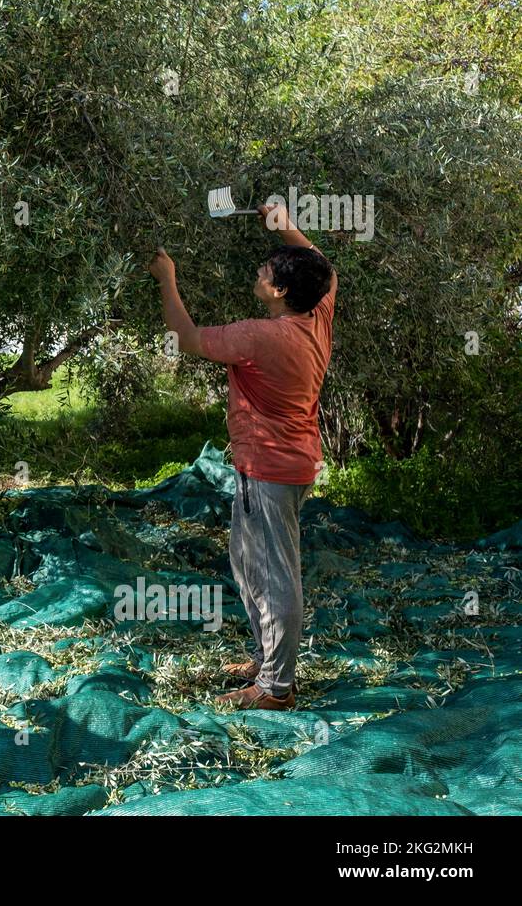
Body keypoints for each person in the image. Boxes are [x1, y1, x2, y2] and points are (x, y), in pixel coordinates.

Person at [148, 202, 337, 710]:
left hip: (271, 469)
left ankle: (277, 688)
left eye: (265, 271)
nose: (257, 272)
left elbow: (184, 339)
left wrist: (167, 278)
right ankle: (267, 658)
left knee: (275, 576)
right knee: (248, 562)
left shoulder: (261, 335)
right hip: (284, 465)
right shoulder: (315, 312)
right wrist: (283, 224)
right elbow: (320, 263)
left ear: (278, 291)